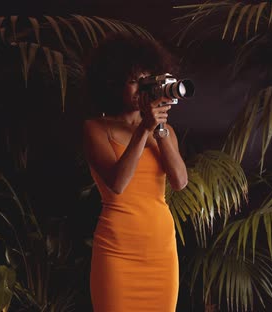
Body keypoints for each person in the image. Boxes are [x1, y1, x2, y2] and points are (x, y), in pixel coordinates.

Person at [82, 32, 188, 311]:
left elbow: (179, 181)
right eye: (134, 82)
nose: (142, 89)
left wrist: (159, 128)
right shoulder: (96, 128)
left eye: (147, 80)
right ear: (113, 83)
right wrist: (144, 128)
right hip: (117, 251)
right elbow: (118, 184)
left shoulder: (165, 131)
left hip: (160, 250)